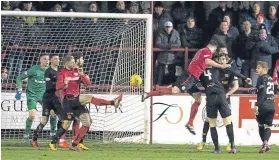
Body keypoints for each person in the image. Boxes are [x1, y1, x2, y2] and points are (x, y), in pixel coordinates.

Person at [142, 40, 231, 135]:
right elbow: (207, 60)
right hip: (191, 76)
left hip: (193, 78)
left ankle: (190, 123)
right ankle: (148, 94)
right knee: (174, 91)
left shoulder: (201, 51)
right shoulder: (207, 51)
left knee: (198, 99)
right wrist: (221, 66)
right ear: (214, 48)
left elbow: (204, 63)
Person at [49, 54, 123, 151]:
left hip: (77, 100)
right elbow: (58, 87)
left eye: (73, 62)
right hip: (68, 100)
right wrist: (64, 84)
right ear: (66, 63)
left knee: (86, 123)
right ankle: (112, 103)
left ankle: (74, 143)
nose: (73, 64)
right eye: (71, 62)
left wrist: (82, 74)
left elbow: (88, 83)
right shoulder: (62, 73)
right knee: (88, 98)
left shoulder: (77, 71)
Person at [198, 52, 251, 154]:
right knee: (228, 122)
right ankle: (232, 146)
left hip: (211, 97)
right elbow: (233, 71)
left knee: (212, 124)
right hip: (221, 96)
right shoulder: (219, 68)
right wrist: (245, 78)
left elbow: (192, 79)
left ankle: (217, 149)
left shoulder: (200, 71)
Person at [15, 54, 57, 144]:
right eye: (44, 59)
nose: (47, 60)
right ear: (40, 60)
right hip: (32, 95)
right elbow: (19, 78)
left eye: (48, 59)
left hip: (44, 96)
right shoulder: (34, 69)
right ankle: (26, 136)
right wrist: (19, 90)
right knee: (32, 115)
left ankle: (53, 134)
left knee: (54, 114)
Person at [31, 54, 69, 148]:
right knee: (44, 121)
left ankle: (57, 140)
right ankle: (34, 139)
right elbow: (50, 86)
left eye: (58, 59)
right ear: (51, 60)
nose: (58, 60)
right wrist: (63, 84)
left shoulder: (60, 71)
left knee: (63, 119)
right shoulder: (48, 71)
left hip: (56, 99)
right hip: (48, 99)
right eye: (55, 59)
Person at [249, 61, 275, 153]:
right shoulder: (270, 78)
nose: (256, 69)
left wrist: (257, 105)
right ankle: (266, 143)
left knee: (260, 124)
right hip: (272, 104)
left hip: (263, 105)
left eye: (258, 68)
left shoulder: (261, 78)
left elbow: (263, 92)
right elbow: (268, 90)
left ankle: (264, 144)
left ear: (264, 69)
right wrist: (255, 89)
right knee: (268, 125)